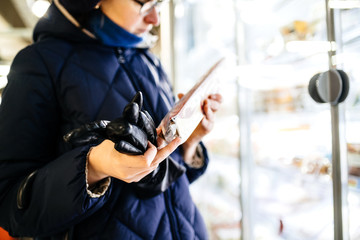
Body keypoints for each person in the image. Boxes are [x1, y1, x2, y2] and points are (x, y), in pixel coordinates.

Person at [0, 0, 223, 239]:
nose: (154, 20)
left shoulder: (149, 62)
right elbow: (10, 206)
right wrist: (94, 167)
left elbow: (165, 183)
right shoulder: (39, 63)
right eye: (145, 6)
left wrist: (189, 144)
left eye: (158, 5)